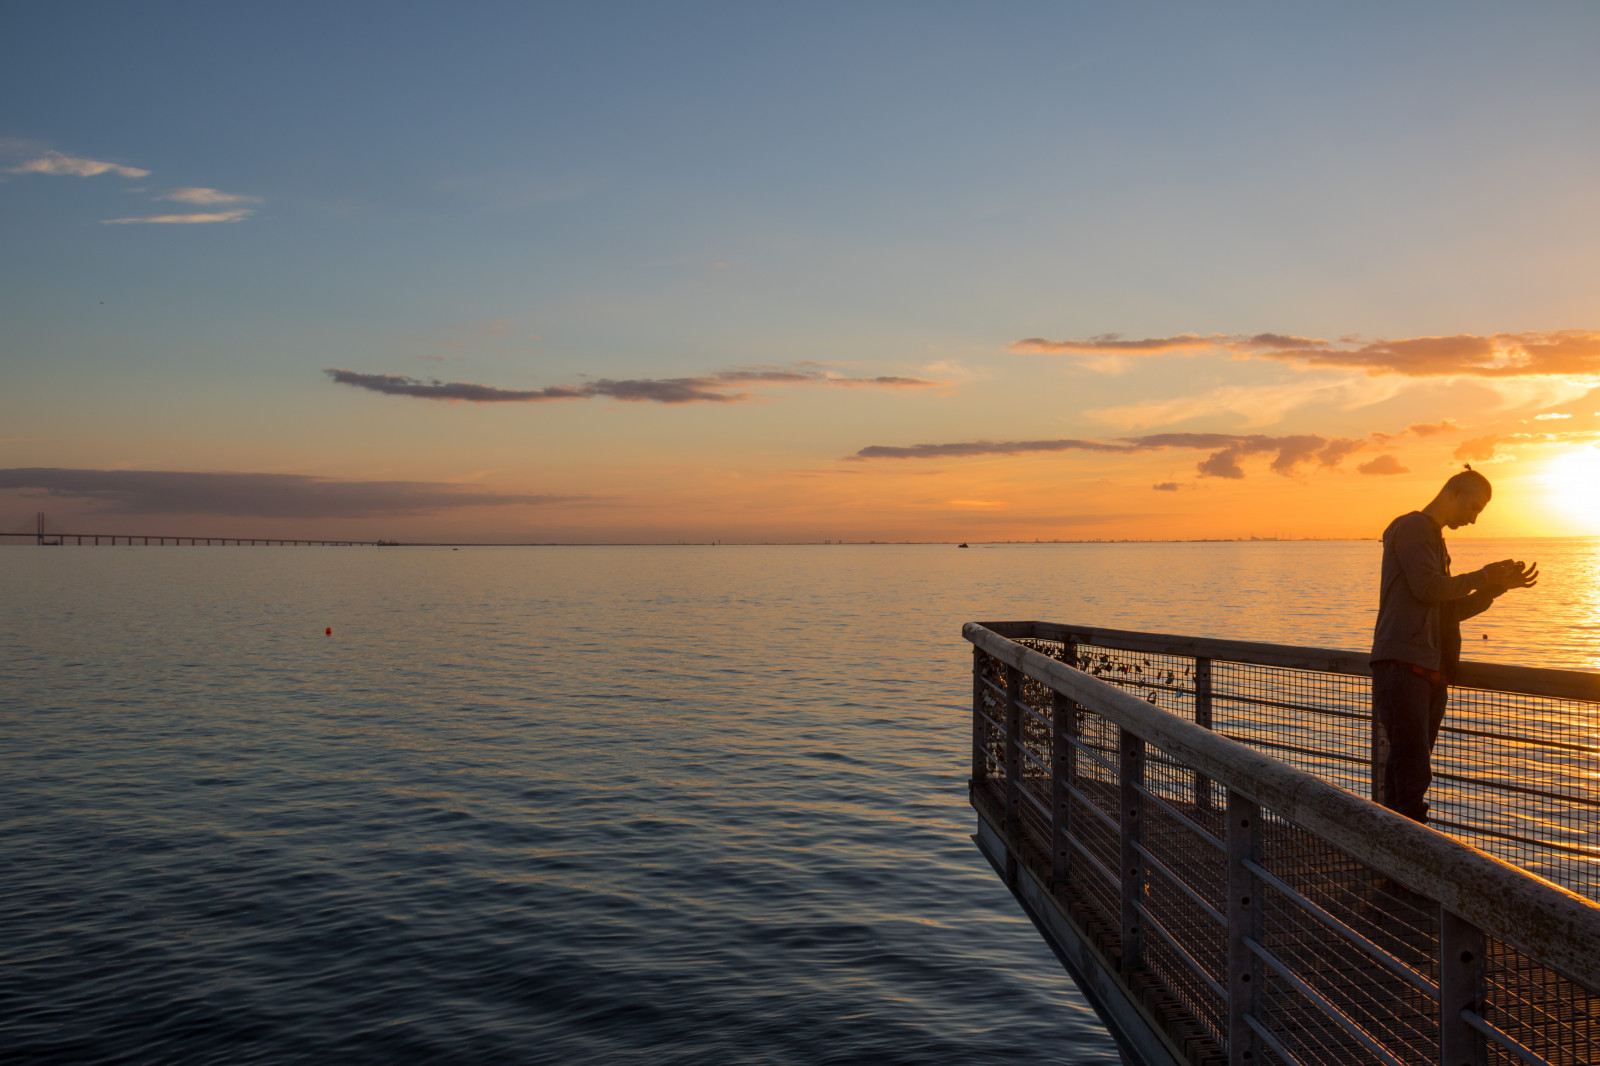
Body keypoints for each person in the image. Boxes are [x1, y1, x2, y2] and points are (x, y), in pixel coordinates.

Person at [1369, 465, 1538, 823]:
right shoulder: (1414, 527)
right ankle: (1406, 866)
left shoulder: (1432, 538)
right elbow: (1428, 588)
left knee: (1408, 772)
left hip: (1425, 671)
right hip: (1403, 668)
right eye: (1474, 507)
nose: (1474, 519)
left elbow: (1447, 612)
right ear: (1453, 493)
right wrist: (1483, 575)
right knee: (1411, 773)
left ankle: (1394, 864)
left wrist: (1495, 587)